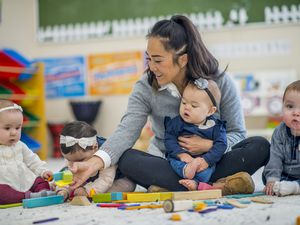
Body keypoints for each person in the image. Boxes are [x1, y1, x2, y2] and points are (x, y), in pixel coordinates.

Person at [69, 15, 270, 194]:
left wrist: (209, 147)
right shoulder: (145, 86)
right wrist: (95, 162)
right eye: (149, 59)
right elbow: (127, 130)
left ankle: (178, 185)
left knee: (260, 146)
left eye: (158, 60)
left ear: (182, 59)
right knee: (127, 159)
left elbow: (238, 133)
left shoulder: (220, 82)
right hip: (171, 163)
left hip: (213, 160)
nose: (151, 67)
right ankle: (220, 185)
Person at [164, 79, 227, 191]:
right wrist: (181, 155)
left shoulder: (216, 126)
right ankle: (186, 171)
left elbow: (221, 145)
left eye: (194, 106)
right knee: (173, 163)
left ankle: (195, 183)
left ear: (210, 111)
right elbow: (169, 140)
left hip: (203, 161)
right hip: (181, 159)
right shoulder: (176, 123)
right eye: (183, 103)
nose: (186, 107)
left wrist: (206, 160)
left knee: (207, 171)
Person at [57, 121, 135, 200]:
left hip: (117, 179)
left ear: (95, 148)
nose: (74, 165)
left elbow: (106, 180)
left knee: (122, 187)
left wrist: (87, 190)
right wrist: (65, 189)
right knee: (74, 183)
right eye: (68, 160)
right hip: (91, 178)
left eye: (80, 160)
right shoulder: (74, 156)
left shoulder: (106, 153)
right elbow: (68, 176)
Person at [0, 100, 55, 204]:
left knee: (40, 181)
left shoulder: (20, 145)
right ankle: (27, 196)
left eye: (18, 127)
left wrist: (43, 171)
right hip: (4, 184)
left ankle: (42, 191)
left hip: (25, 181)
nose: (14, 132)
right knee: (2, 193)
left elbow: (33, 160)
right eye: (7, 128)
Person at [263, 80, 300, 196]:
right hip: (285, 174)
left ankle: (295, 187)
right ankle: (285, 184)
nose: (296, 113)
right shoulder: (280, 131)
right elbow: (275, 157)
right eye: (290, 106)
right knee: (267, 178)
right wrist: (272, 179)